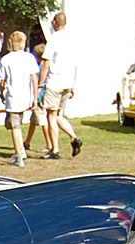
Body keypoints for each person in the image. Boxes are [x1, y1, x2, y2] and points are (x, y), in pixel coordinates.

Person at [38, 12, 83, 159]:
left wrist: (40, 85)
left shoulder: (53, 39)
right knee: (58, 114)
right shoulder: (71, 40)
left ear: (55, 23)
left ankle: (55, 150)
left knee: (51, 116)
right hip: (67, 81)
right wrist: (73, 84)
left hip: (55, 81)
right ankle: (74, 138)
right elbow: (74, 64)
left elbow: (46, 63)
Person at [0, 31, 38, 167]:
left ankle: (19, 155)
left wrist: (1, 93)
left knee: (15, 126)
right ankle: (21, 150)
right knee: (18, 123)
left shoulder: (6, 59)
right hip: (26, 95)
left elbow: (2, 81)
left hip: (13, 96)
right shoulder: (29, 58)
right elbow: (34, 78)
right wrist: (35, 97)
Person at [24, 43, 53, 155]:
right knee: (33, 120)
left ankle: (49, 144)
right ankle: (27, 142)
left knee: (42, 121)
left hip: (39, 97)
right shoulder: (48, 67)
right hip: (44, 94)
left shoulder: (40, 68)